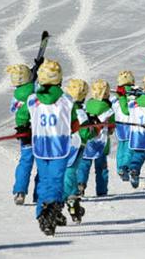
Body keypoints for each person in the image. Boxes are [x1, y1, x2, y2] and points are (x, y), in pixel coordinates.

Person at [16, 59, 79, 236]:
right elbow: (74, 124)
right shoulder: (66, 100)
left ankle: (43, 212)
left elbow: (21, 117)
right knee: (56, 180)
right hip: (59, 147)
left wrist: (23, 128)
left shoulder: (33, 99)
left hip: (41, 146)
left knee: (44, 180)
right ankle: (50, 211)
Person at [5, 64, 38, 205]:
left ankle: (20, 191)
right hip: (40, 132)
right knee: (44, 164)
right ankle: (40, 194)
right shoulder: (35, 89)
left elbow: (13, 109)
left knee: (25, 162)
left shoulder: (17, 95)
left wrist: (33, 70)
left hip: (24, 132)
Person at [77, 79, 115, 197]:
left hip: (87, 141)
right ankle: (102, 190)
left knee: (84, 165)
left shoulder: (87, 104)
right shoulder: (108, 108)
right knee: (101, 168)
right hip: (102, 143)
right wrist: (110, 129)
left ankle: (80, 184)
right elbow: (111, 127)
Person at [62, 79, 91, 223]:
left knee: (66, 171)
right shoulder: (80, 112)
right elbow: (86, 132)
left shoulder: (63, 107)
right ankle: (71, 199)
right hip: (77, 145)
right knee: (70, 171)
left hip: (62, 144)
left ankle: (68, 198)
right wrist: (93, 130)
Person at [110, 70, 136, 181]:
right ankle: (125, 166)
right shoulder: (135, 94)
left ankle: (120, 167)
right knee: (130, 148)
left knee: (121, 147)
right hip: (131, 124)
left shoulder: (116, 97)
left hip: (119, 125)